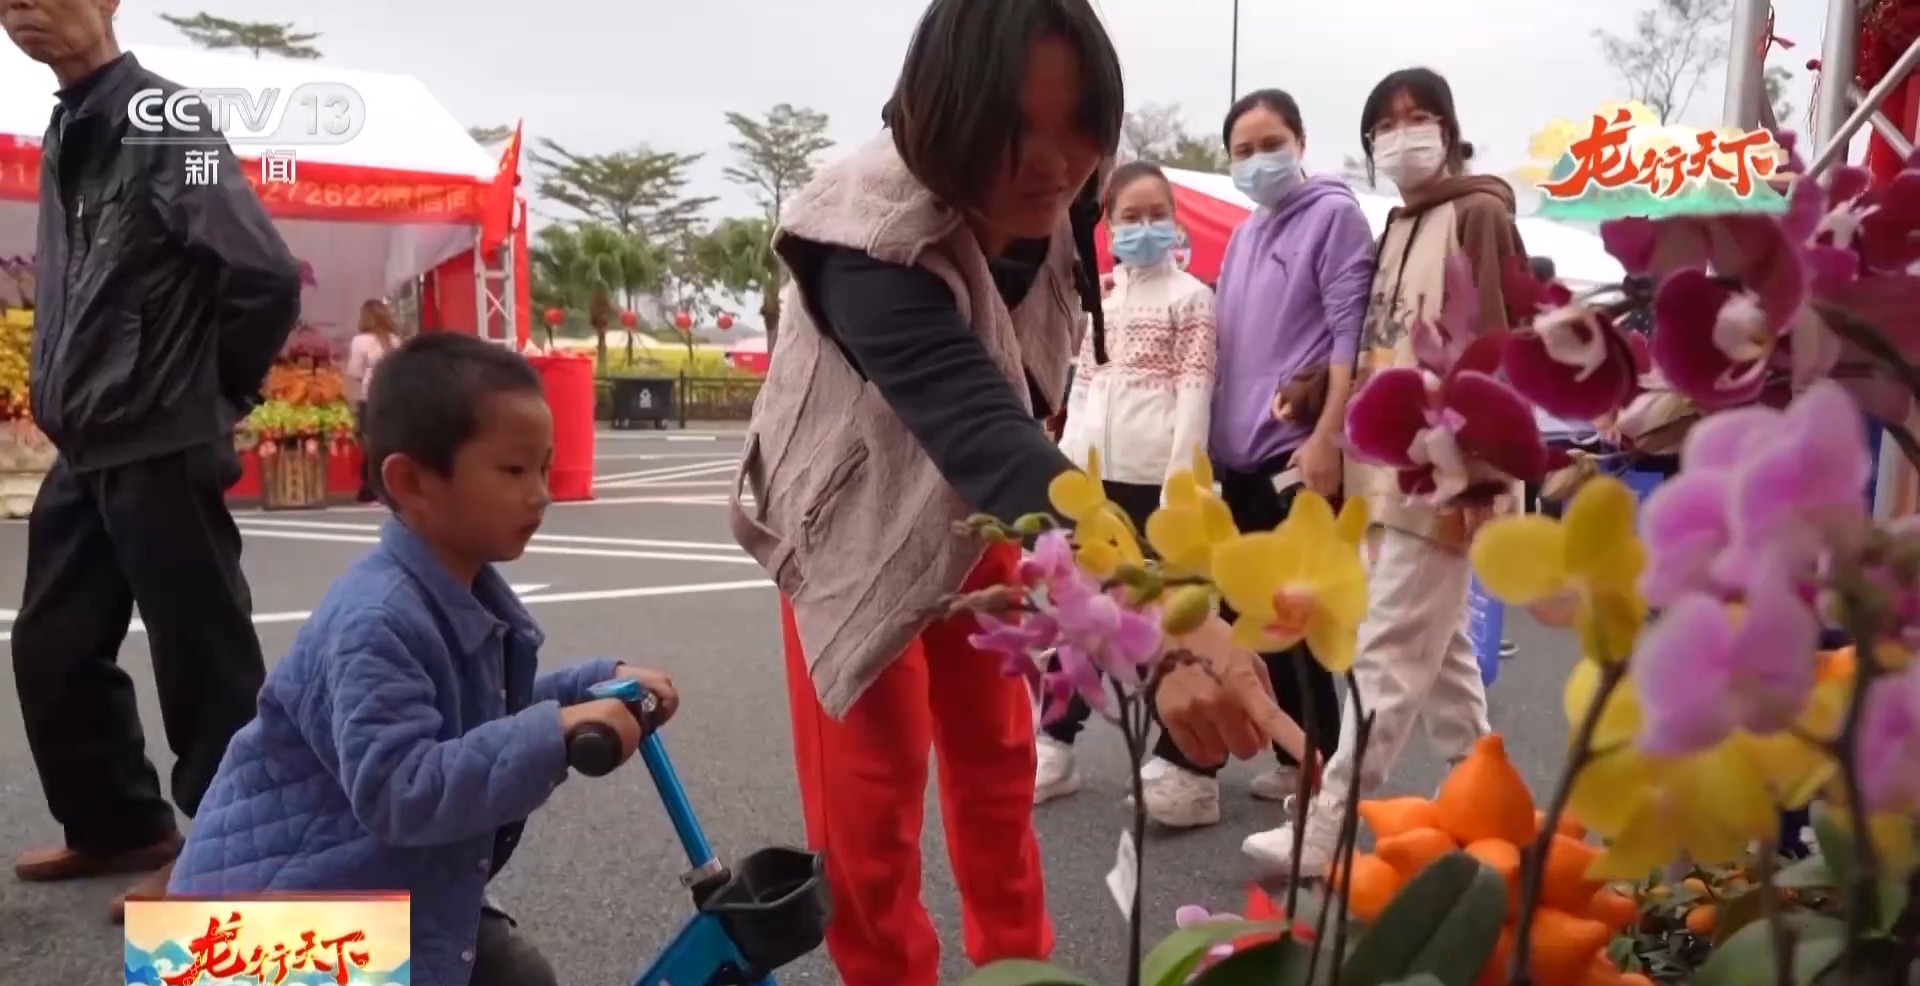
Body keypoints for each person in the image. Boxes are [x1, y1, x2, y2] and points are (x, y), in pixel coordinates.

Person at [727, 0, 1313, 980]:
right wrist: (1165, 614)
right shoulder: (860, 231)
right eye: (1017, 130)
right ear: (944, 113)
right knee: (867, 818)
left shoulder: (1069, 202)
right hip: (852, 534)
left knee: (1001, 774)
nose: (1053, 162)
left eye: (1078, 125)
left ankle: (1020, 969)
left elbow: (1016, 426)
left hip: (995, 516)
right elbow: (983, 430)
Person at [168, 333, 682, 986]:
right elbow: (399, 790)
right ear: (412, 482)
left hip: (362, 884)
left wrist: (592, 686)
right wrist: (556, 732)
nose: (540, 495)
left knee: (516, 976)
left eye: (545, 470)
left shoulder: (456, 590)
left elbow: (479, 717)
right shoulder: (377, 618)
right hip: (262, 932)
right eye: (514, 471)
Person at [4, 0, 304, 918]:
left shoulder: (169, 121)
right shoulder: (68, 126)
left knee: (201, 654)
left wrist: (213, 395)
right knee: (52, 643)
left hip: (161, 434)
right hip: (88, 441)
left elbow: (265, 271)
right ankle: (119, 823)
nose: (23, 10)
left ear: (106, 4)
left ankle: (233, 852)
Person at [1242, 67, 1526, 872]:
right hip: (1388, 470)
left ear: (1451, 128)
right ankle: (1491, 802)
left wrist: (1476, 474)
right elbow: (1383, 338)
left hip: (1445, 469)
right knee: (1439, 660)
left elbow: (1495, 345)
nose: (1404, 133)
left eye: (1421, 117)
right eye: (1387, 123)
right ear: (1370, 143)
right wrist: (1311, 390)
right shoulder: (1401, 222)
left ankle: (1325, 830)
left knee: (1391, 650)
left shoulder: (1475, 213)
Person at [1123, 89, 1376, 831]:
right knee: (1284, 620)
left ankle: (1187, 768)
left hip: (1292, 459)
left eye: (1271, 142)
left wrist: (1329, 434)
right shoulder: (1243, 236)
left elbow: (1347, 333)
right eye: (1241, 149)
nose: (1257, 160)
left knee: (1234, 611)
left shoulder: (1332, 217)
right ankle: (1311, 755)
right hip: (1235, 461)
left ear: (1300, 142)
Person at [1039, 161, 1217, 806]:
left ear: (1174, 221)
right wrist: (1062, 471)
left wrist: (1181, 489)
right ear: (1108, 227)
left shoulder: (1193, 299)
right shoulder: (1102, 302)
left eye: (1154, 215)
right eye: (1128, 218)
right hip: (1095, 483)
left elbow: (1194, 395)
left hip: (1159, 487)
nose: (1143, 227)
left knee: (1170, 622)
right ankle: (1054, 744)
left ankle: (1185, 763)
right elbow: (1084, 388)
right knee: (1075, 615)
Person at [347, 299, 401, 502]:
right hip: (393, 398)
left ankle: (371, 487)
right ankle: (390, 488)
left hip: (370, 397)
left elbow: (354, 371)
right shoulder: (396, 340)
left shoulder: (360, 341)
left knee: (370, 444)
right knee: (390, 444)